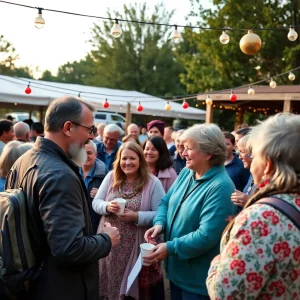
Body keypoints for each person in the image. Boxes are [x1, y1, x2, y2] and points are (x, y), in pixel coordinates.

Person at [5, 96, 120, 300]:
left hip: (31, 282)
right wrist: (106, 240)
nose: (92, 137)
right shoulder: (60, 176)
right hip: (60, 287)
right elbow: (69, 249)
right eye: (89, 129)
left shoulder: (22, 160)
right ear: (68, 128)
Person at [207, 113, 300, 299]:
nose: (248, 164)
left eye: (254, 155)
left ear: (268, 164)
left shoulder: (261, 219)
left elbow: (225, 294)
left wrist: (216, 263)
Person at [144, 123, 236, 300]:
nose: (182, 153)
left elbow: (206, 236)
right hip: (177, 272)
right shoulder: (188, 172)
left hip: (197, 282)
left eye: (189, 149)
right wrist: (159, 224)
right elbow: (165, 202)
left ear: (208, 154)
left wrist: (170, 247)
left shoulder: (221, 187)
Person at [92, 141, 166, 300]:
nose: (127, 162)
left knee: (131, 289)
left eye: (132, 158)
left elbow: (161, 213)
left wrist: (137, 216)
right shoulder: (111, 176)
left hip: (135, 245)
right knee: (108, 283)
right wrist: (107, 206)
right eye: (124, 158)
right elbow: (96, 203)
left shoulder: (152, 182)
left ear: (140, 160)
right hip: (110, 246)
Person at [79, 140, 108, 234]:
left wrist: (102, 195)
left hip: (95, 224)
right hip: (76, 222)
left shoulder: (105, 173)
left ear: (95, 154)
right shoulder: (71, 171)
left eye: (89, 153)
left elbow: (113, 199)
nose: (85, 156)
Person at [230, 134, 255, 212]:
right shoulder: (252, 174)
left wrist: (249, 201)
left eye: (242, 152)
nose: (240, 157)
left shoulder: (266, 178)